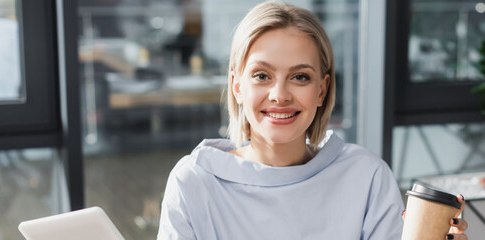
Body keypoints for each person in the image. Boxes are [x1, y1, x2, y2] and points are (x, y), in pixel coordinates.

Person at [157, 2, 468, 239]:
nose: (279, 95)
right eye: (262, 75)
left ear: (322, 90)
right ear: (238, 86)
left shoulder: (366, 178)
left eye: (300, 77)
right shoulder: (193, 182)